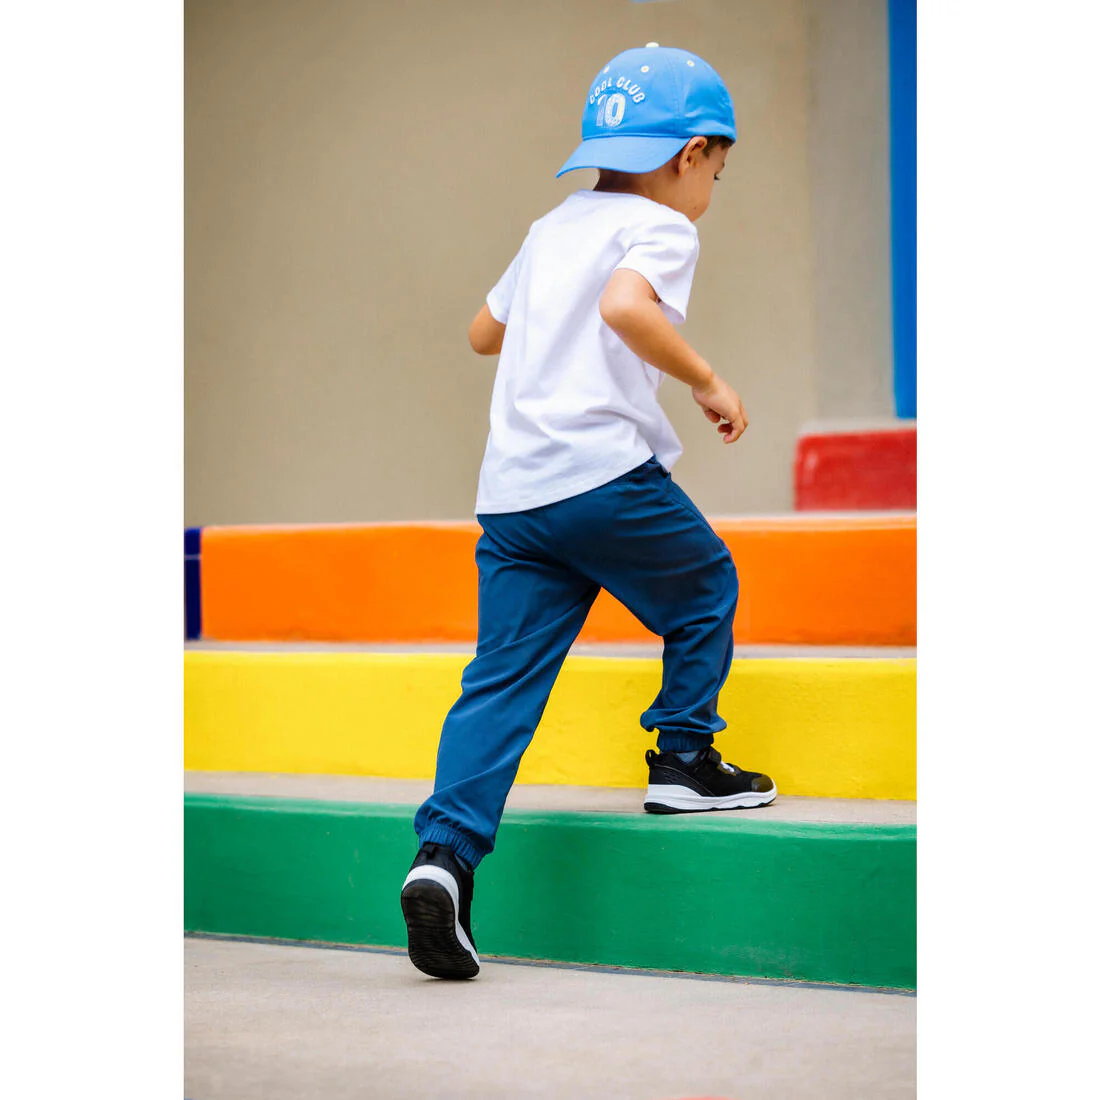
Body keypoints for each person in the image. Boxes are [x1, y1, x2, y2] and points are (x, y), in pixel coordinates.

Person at [400, 44, 776, 981]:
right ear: (690, 154)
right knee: (704, 588)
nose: (709, 192)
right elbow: (624, 307)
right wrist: (707, 380)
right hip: (603, 475)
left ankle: (443, 861)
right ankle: (686, 758)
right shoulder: (661, 227)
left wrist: (542, 316)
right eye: (716, 173)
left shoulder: (553, 223)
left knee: (499, 684)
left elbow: (482, 331)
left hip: (516, 498)